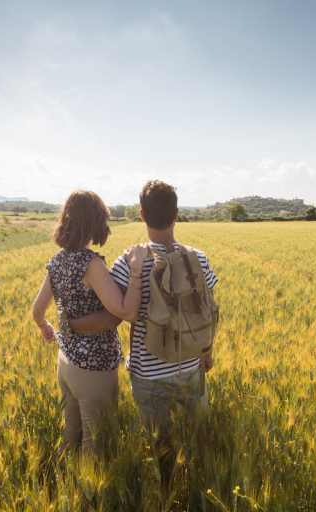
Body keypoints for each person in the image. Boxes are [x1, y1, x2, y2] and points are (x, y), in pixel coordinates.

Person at [68, 180, 218, 480]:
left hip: (148, 373)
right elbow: (208, 310)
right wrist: (206, 354)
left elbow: (112, 317)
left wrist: (71, 324)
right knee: (199, 435)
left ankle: (167, 487)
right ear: (176, 214)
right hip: (190, 364)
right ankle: (201, 481)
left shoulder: (128, 262)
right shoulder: (198, 257)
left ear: (141, 215)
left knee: (160, 443)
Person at [31, 190, 148, 457]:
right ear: (94, 223)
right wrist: (137, 269)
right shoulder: (91, 264)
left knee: (70, 431)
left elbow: (38, 311)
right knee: (95, 444)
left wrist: (44, 327)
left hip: (66, 362)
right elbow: (126, 312)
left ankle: (62, 485)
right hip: (93, 368)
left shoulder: (57, 261)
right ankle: (87, 499)